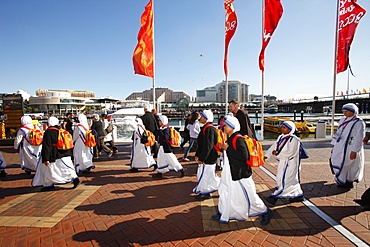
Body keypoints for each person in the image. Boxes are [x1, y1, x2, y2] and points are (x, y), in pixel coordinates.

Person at [212, 116, 273, 225]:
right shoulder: (231, 138)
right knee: (226, 192)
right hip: (231, 173)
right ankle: (225, 212)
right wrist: (223, 147)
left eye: (225, 126)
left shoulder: (238, 139)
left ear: (231, 127)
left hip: (240, 173)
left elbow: (244, 156)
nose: (223, 127)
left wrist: (227, 148)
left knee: (251, 196)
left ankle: (265, 211)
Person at [32, 116, 79, 191]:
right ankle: (74, 178)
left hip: (54, 154)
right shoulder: (61, 130)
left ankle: (48, 185)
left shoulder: (48, 132)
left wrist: (46, 159)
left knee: (48, 170)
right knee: (66, 168)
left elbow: (47, 146)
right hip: (64, 153)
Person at [264, 121, 305, 205]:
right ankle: (297, 195)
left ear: (290, 129)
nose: (282, 129)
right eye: (282, 127)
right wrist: (267, 155)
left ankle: (275, 197)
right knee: (285, 178)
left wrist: (278, 153)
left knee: (285, 179)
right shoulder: (281, 137)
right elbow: (274, 146)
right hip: (283, 162)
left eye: (284, 127)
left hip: (290, 163)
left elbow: (291, 152)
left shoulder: (294, 140)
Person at [330, 103, 365, 189]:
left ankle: (349, 181)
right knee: (338, 161)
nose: (345, 113)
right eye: (343, 111)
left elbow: (359, 137)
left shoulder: (359, 122)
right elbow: (338, 132)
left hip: (350, 147)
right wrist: (334, 145)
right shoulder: (343, 120)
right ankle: (342, 180)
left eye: (347, 111)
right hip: (340, 145)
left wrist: (355, 150)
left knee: (350, 164)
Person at [193, 109, 220, 200]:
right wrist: (198, 154)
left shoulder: (209, 129)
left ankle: (207, 191)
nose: (200, 118)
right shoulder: (207, 128)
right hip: (208, 156)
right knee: (207, 175)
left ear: (206, 118)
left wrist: (202, 158)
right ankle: (206, 191)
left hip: (209, 157)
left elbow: (208, 146)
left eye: (202, 117)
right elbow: (202, 144)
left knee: (207, 175)